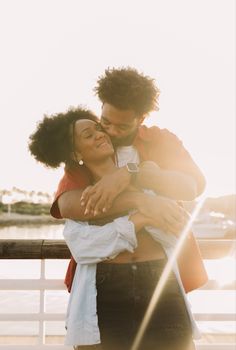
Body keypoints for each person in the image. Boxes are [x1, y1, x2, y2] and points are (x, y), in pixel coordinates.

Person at [29, 106, 207, 350]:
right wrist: (142, 219)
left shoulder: (146, 178)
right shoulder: (82, 190)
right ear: (75, 152)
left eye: (99, 130)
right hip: (105, 290)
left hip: (160, 283)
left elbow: (176, 224)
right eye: (88, 135)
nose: (101, 134)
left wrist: (135, 185)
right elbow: (84, 247)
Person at [50, 67, 207, 295]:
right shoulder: (90, 146)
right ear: (101, 105)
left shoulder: (161, 141)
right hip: (103, 276)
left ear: (141, 118)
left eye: (122, 125)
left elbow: (193, 186)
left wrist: (132, 173)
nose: (111, 131)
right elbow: (68, 204)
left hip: (164, 272)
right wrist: (140, 201)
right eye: (106, 121)